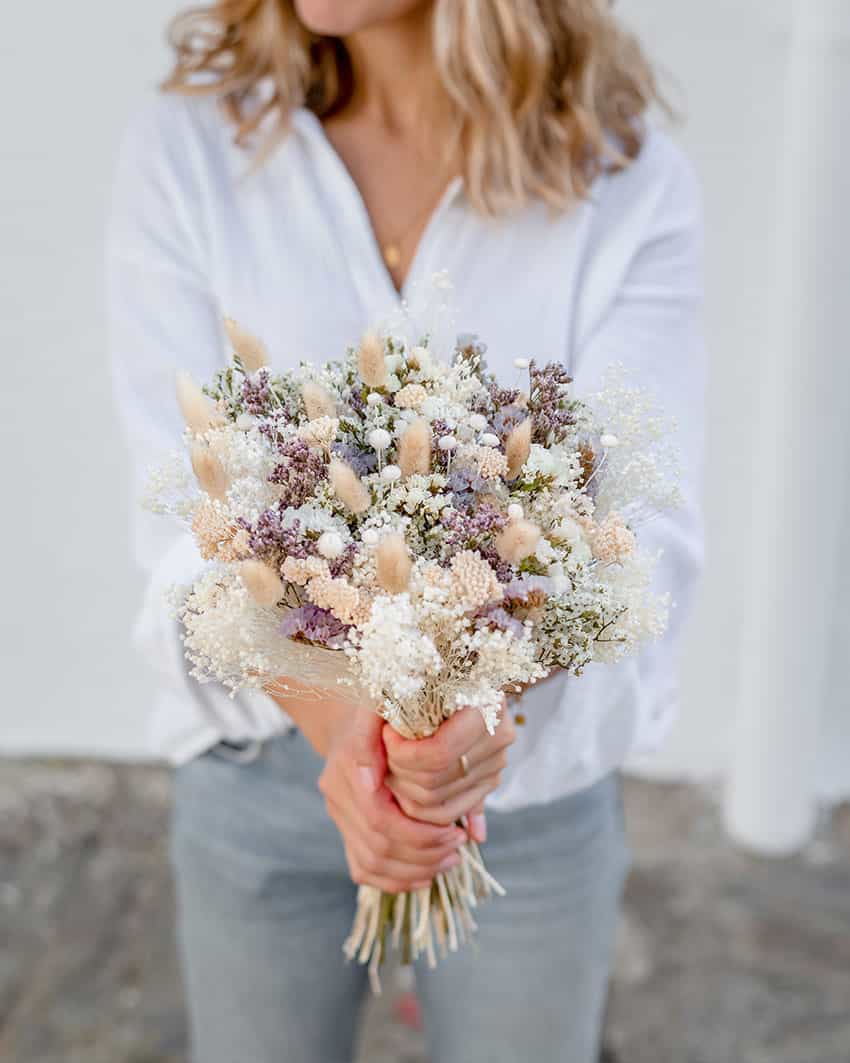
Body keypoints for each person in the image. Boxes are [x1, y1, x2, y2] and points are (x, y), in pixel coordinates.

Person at [108, 1, 704, 1060]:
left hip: (521, 785)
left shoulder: (619, 172)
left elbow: (638, 535)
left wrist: (452, 741)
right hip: (259, 769)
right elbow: (179, 526)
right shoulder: (197, 147)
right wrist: (350, 736)